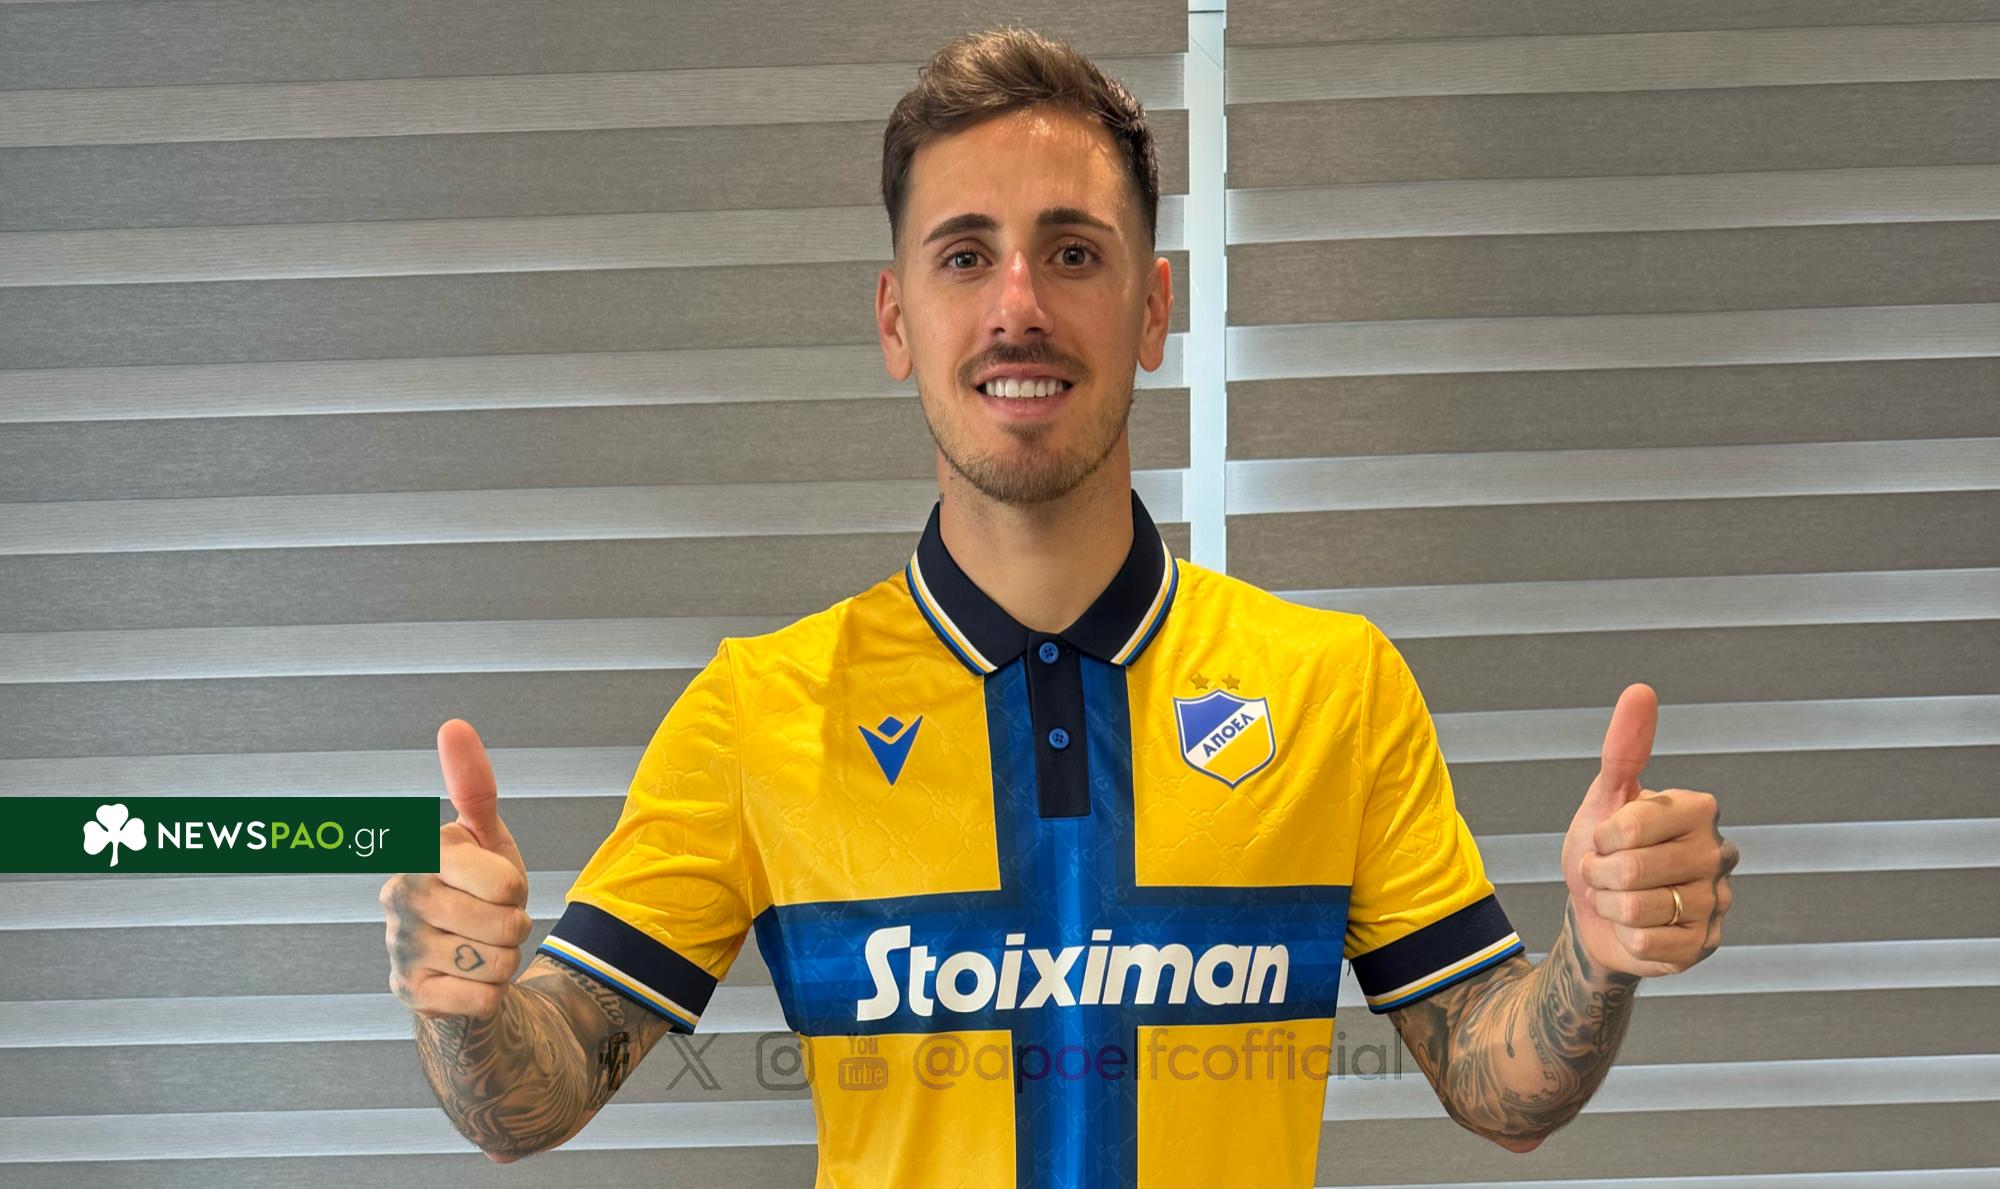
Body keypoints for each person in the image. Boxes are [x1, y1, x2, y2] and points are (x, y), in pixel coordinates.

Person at [378, 25, 1740, 1186]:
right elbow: (536, 1094)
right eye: (965, 256)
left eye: (1073, 254)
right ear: (897, 319)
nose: (1018, 306)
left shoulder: (1334, 683)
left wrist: (1596, 955)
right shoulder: (759, 711)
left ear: (1152, 311)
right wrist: (465, 1005)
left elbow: (1499, 1082)